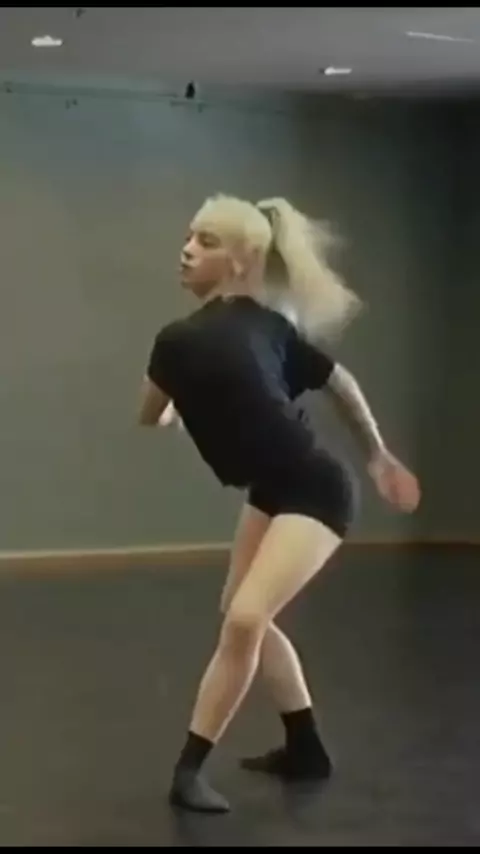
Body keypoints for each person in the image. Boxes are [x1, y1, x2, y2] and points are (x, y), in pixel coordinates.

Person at [137, 194, 421, 814]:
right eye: (188, 237)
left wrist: (377, 455)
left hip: (317, 488)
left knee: (243, 620)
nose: (187, 250)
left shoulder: (267, 328)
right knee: (244, 616)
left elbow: (339, 382)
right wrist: (188, 400)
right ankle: (305, 747)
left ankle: (189, 769)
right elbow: (151, 414)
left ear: (242, 261)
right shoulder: (178, 341)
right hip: (270, 490)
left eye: (206, 241)